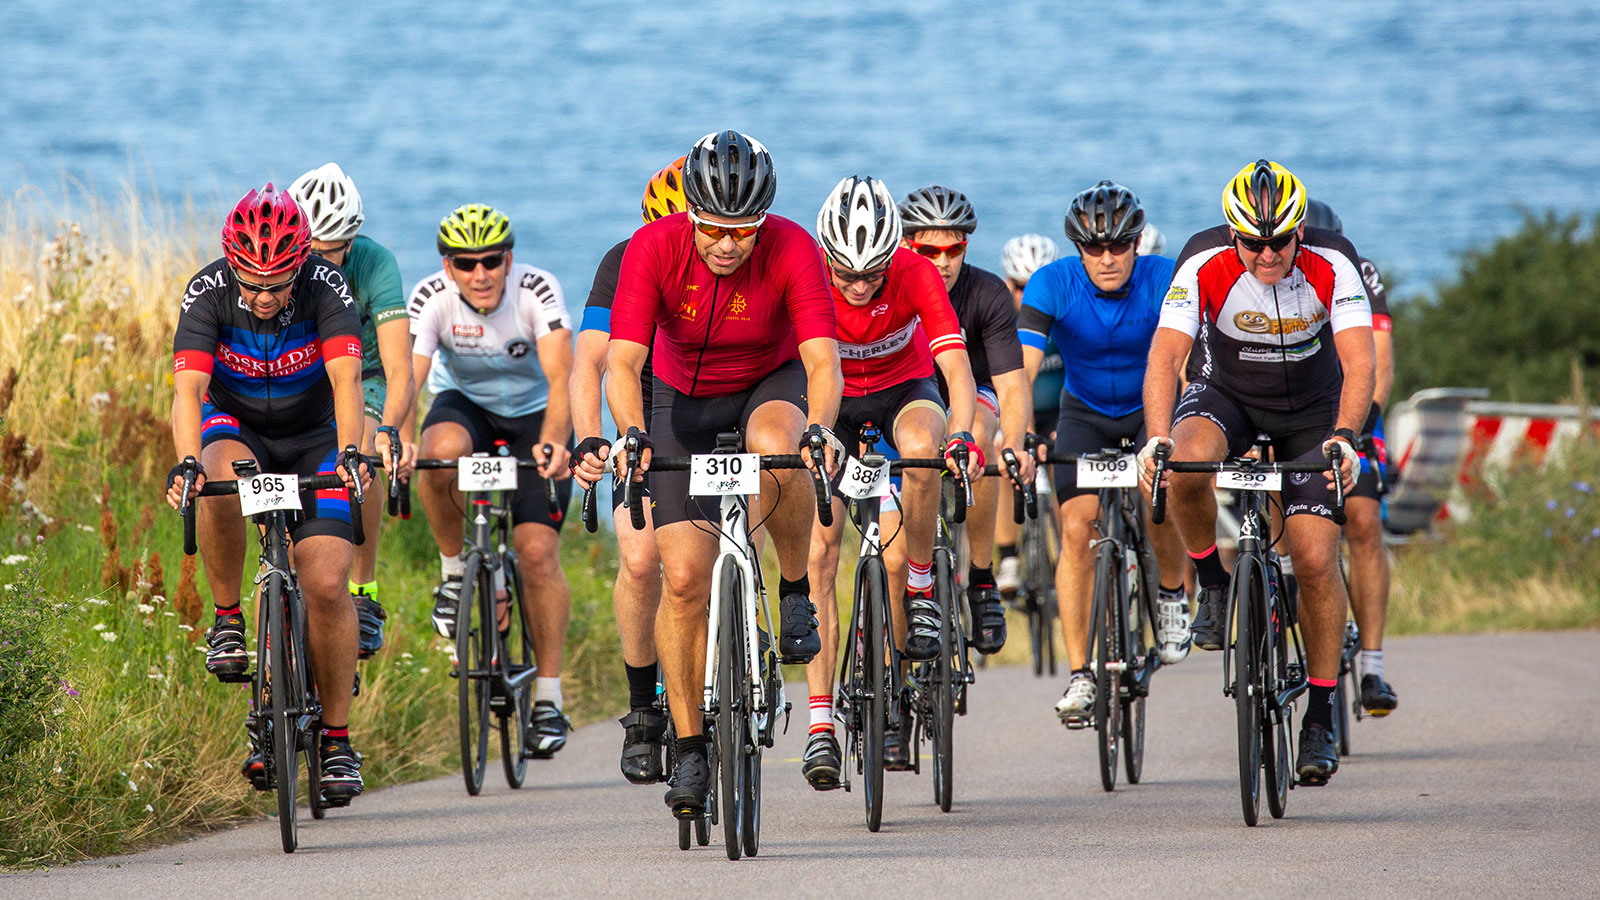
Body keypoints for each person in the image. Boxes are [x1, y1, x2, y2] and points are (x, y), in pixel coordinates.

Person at [605, 130, 842, 819]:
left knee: (780, 442)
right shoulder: (653, 249)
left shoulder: (794, 246)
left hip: (770, 381)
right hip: (681, 402)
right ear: (691, 217)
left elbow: (824, 361)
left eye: (744, 231)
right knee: (681, 580)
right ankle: (689, 748)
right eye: (713, 229)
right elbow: (621, 362)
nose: (728, 245)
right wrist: (631, 433)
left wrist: (821, 426)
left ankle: (793, 587)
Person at [1140, 160, 1374, 786]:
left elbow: (1358, 362)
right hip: (1229, 396)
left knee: (1316, 559)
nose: (1267, 254)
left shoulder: (1335, 261)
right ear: (1233, 234)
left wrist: (1346, 438)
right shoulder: (1201, 260)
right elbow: (1165, 357)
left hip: (1314, 411)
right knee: (1183, 467)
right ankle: (1211, 583)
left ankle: (1321, 714)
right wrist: (1158, 436)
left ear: (1300, 231)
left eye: (1280, 241)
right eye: (1253, 242)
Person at [165, 184, 371, 802]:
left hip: (315, 438)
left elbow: (347, 376)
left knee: (328, 584)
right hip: (239, 428)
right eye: (250, 282)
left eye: (277, 283)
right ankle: (229, 618)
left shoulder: (326, 289)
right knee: (217, 479)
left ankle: (336, 741)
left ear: (300, 264)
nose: (261, 296)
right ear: (231, 265)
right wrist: (185, 462)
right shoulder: (206, 292)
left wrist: (352, 450)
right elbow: (187, 392)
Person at [802, 175, 983, 785]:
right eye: (844, 274)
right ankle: (821, 724)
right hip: (832, 404)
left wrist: (963, 432)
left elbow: (956, 370)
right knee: (822, 554)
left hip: (904, 390)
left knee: (921, 448)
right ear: (826, 255)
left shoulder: (914, 271)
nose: (857, 286)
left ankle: (924, 589)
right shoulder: (807, 274)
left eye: (871, 273)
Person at [1017, 181, 1192, 724]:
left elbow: (1187, 361)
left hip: (1151, 412)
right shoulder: (1050, 284)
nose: (1108, 257)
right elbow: (1021, 372)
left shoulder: (1165, 279)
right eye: (1095, 247)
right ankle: (1080, 674)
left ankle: (1168, 595)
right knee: (1076, 529)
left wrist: (1179, 428)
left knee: (1158, 490)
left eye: (1120, 245)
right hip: (1084, 415)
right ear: (1078, 248)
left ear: (1138, 244)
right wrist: (1020, 437)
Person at [407, 204, 576, 757]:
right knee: (437, 454)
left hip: (536, 416)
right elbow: (408, 381)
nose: (480, 274)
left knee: (535, 553)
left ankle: (548, 699)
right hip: (470, 409)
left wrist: (553, 441)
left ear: (508, 259)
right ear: (448, 267)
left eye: (491, 261)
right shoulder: (431, 297)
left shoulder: (537, 291)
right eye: (465, 263)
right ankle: (457, 572)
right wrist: (399, 437)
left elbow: (562, 379)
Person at [570, 158, 685, 785]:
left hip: (709, 410)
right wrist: (592, 437)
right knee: (641, 561)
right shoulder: (623, 261)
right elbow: (589, 364)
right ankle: (643, 710)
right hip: (642, 411)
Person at [897, 185, 1032, 655]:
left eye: (954, 248)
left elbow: (1012, 385)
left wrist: (1013, 443)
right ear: (906, 245)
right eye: (928, 249)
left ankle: (980, 578)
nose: (943, 260)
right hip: (907, 395)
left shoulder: (988, 291)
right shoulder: (893, 281)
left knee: (982, 437)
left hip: (971, 392)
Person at [289, 163, 415, 660]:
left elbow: (400, 367)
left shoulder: (375, 263)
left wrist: (389, 427)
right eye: (312, 252)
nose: (321, 262)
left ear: (353, 239)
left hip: (367, 376)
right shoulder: (283, 264)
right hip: (305, 374)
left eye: (333, 251)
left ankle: (363, 591)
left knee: (359, 446)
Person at [1304, 198, 1399, 716]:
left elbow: (1379, 364)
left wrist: (1361, 427)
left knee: (1362, 522)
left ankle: (1372, 666)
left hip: (1354, 408)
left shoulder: (1359, 271)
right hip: (1294, 409)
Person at [995, 233, 1060, 600]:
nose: (1029, 298)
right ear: (1008, 285)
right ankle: (1007, 556)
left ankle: (1074, 553)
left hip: (1062, 414)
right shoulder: (1001, 321)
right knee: (1004, 451)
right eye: (1021, 288)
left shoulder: (1064, 317)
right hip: (1017, 415)